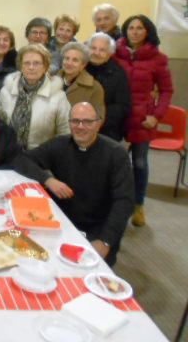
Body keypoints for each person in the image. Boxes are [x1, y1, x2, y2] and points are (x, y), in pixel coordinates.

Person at [22, 102, 135, 266]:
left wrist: (106, 240)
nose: (80, 126)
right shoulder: (59, 145)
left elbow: (124, 202)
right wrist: (48, 180)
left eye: (87, 122)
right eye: (75, 121)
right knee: (32, 259)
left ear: (98, 124)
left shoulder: (116, 154)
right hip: (61, 222)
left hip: (98, 230)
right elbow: (23, 159)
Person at [114, 15, 173, 227]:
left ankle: (138, 205)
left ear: (148, 31)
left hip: (142, 119)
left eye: (140, 28)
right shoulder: (115, 54)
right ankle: (114, 205)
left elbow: (166, 91)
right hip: (118, 117)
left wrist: (156, 116)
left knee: (139, 163)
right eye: (131, 28)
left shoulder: (158, 58)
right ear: (125, 30)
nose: (135, 32)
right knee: (115, 163)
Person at [0, 44, 70, 150]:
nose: (31, 67)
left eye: (36, 63)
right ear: (20, 66)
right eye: (26, 63)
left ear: (45, 67)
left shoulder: (58, 97)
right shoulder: (6, 92)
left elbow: (65, 133)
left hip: (42, 156)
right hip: (7, 153)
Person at [85, 32, 131, 142]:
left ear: (110, 53)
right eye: (93, 48)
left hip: (106, 130)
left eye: (102, 50)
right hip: (77, 125)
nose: (96, 53)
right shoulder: (80, 67)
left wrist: (95, 121)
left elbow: (122, 106)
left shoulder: (118, 73)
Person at [59, 42, 105, 120]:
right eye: (66, 58)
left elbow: (98, 118)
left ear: (83, 65)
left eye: (75, 60)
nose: (69, 63)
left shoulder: (94, 88)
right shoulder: (50, 80)